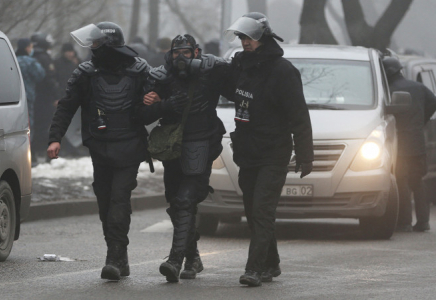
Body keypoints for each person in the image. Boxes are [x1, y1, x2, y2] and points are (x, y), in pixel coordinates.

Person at [47, 22, 152, 281]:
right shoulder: (87, 72)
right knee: (105, 203)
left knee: (118, 200)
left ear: (108, 44)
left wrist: (157, 101)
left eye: (96, 44)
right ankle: (118, 254)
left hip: (130, 147)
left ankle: (114, 258)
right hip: (100, 147)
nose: (92, 49)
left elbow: (160, 100)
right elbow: (67, 105)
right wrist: (55, 138)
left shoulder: (140, 70)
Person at [223, 12, 314, 286]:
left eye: (249, 37)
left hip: (274, 152)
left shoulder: (283, 71)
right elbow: (227, 90)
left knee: (262, 211)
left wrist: (305, 155)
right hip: (248, 151)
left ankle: (254, 268)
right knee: (252, 211)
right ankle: (271, 263)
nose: (244, 42)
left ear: (262, 37)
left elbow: (299, 115)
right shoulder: (239, 67)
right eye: (241, 37)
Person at [137, 34, 230, 282]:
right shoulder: (162, 76)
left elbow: (233, 85)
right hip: (173, 147)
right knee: (175, 202)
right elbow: (143, 115)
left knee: (186, 199)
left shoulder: (210, 72)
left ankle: (175, 260)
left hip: (202, 142)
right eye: (177, 52)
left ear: (196, 52)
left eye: (186, 52)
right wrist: (164, 105)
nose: (181, 57)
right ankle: (193, 257)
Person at [382, 57, 436, 232]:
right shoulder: (419, 87)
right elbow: (433, 102)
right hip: (417, 143)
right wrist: (423, 119)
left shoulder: (388, 91)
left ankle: (404, 222)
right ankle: (423, 222)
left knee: (400, 181)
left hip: (399, 144)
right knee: (418, 182)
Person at [31, 31, 60, 161]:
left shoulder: (31, 56)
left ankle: (34, 153)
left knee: (35, 127)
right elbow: (49, 79)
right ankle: (46, 155)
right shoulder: (44, 58)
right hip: (45, 99)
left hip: (33, 98)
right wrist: (56, 96)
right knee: (45, 127)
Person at [15, 38, 46, 146]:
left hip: (12, 98)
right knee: (28, 125)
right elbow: (40, 75)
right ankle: (28, 151)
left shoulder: (12, 59)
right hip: (27, 96)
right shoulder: (30, 61)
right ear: (27, 48)